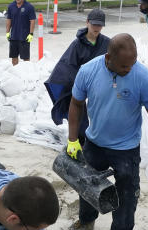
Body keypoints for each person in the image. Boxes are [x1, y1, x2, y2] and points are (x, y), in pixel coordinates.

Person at [65, 34, 148, 230]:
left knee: (127, 194)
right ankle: (86, 221)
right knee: (87, 186)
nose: (128, 70)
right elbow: (76, 104)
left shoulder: (142, 77)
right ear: (108, 57)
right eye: (123, 66)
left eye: (131, 64)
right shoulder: (88, 71)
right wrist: (73, 139)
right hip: (94, 143)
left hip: (126, 149)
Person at [44, 8, 111, 141]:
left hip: (100, 84)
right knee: (79, 115)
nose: (96, 28)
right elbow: (67, 67)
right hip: (80, 83)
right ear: (87, 22)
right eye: (94, 24)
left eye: (99, 25)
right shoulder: (77, 45)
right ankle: (80, 141)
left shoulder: (107, 43)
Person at [5, 0, 36, 66]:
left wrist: (31, 34)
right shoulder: (11, 6)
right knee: (14, 57)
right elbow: (9, 20)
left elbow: (32, 21)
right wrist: (7, 32)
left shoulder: (29, 7)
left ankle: (27, 74)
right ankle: (16, 73)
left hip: (24, 37)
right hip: (14, 36)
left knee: (26, 58)